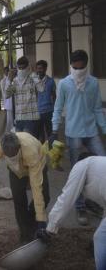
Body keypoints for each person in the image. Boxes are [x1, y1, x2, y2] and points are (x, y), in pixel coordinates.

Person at [50, 49, 106, 226]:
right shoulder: (65, 84)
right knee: (77, 170)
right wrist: (54, 129)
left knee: (103, 164)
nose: (78, 72)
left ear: (86, 65)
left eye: (81, 68)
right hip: (73, 132)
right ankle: (80, 205)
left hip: (91, 131)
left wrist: (104, 128)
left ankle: (98, 201)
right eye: (75, 68)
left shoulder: (93, 83)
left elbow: (97, 108)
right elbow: (58, 108)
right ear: (71, 66)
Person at [38, 153, 106, 269]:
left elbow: (66, 198)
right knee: (101, 237)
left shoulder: (82, 165)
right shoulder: (99, 166)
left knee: (100, 238)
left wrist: (50, 229)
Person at [0, 132, 50, 243]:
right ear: (3, 150)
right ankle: (25, 235)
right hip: (15, 172)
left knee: (45, 196)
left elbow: (36, 188)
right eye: (8, 155)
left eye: (14, 154)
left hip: (37, 165)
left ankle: (33, 221)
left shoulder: (30, 151)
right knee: (19, 200)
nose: (11, 157)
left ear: (18, 147)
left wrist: (41, 219)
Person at [6, 56, 40, 138]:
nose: (21, 70)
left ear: (27, 67)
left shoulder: (32, 78)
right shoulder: (15, 80)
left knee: (28, 143)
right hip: (19, 117)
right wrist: (9, 80)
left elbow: (41, 88)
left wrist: (32, 73)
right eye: (19, 68)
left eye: (23, 68)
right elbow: (8, 95)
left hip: (31, 118)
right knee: (20, 143)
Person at [35, 60, 56, 142]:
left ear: (45, 69)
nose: (39, 70)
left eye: (41, 68)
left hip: (49, 112)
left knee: (50, 133)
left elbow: (54, 96)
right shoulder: (34, 82)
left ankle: (52, 152)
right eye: (37, 68)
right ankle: (41, 152)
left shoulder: (51, 81)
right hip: (38, 112)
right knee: (40, 135)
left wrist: (54, 110)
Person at [1, 66, 14, 132]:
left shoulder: (14, 81)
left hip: (13, 104)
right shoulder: (4, 81)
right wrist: (4, 105)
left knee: (12, 120)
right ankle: (9, 132)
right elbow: (5, 93)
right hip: (8, 104)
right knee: (9, 120)